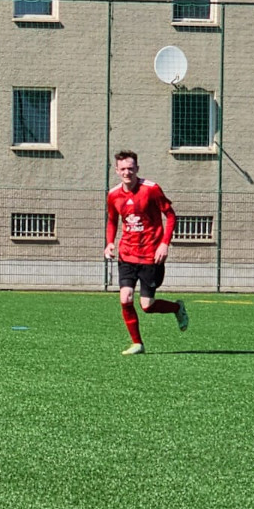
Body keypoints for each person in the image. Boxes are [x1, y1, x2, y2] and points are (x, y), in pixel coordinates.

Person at [105, 150, 189, 355]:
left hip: (151, 255)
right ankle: (137, 344)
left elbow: (170, 215)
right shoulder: (113, 194)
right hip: (127, 254)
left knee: (147, 306)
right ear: (117, 171)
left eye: (130, 169)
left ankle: (177, 308)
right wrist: (109, 243)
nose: (127, 172)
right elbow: (111, 220)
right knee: (125, 298)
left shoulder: (151, 189)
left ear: (137, 169)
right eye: (123, 169)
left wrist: (164, 244)